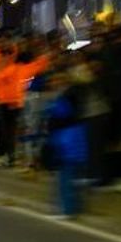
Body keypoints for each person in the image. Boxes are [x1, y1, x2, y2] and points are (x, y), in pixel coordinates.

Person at [44, 71, 89, 218]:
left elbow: (58, 119)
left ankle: (68, 209)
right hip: (71, 140)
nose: (53, 83)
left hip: (66, 141)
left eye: (57, 80)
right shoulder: (70, 98)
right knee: (72, 177)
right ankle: (74, 208)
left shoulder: (63, 99)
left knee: (66, 177)